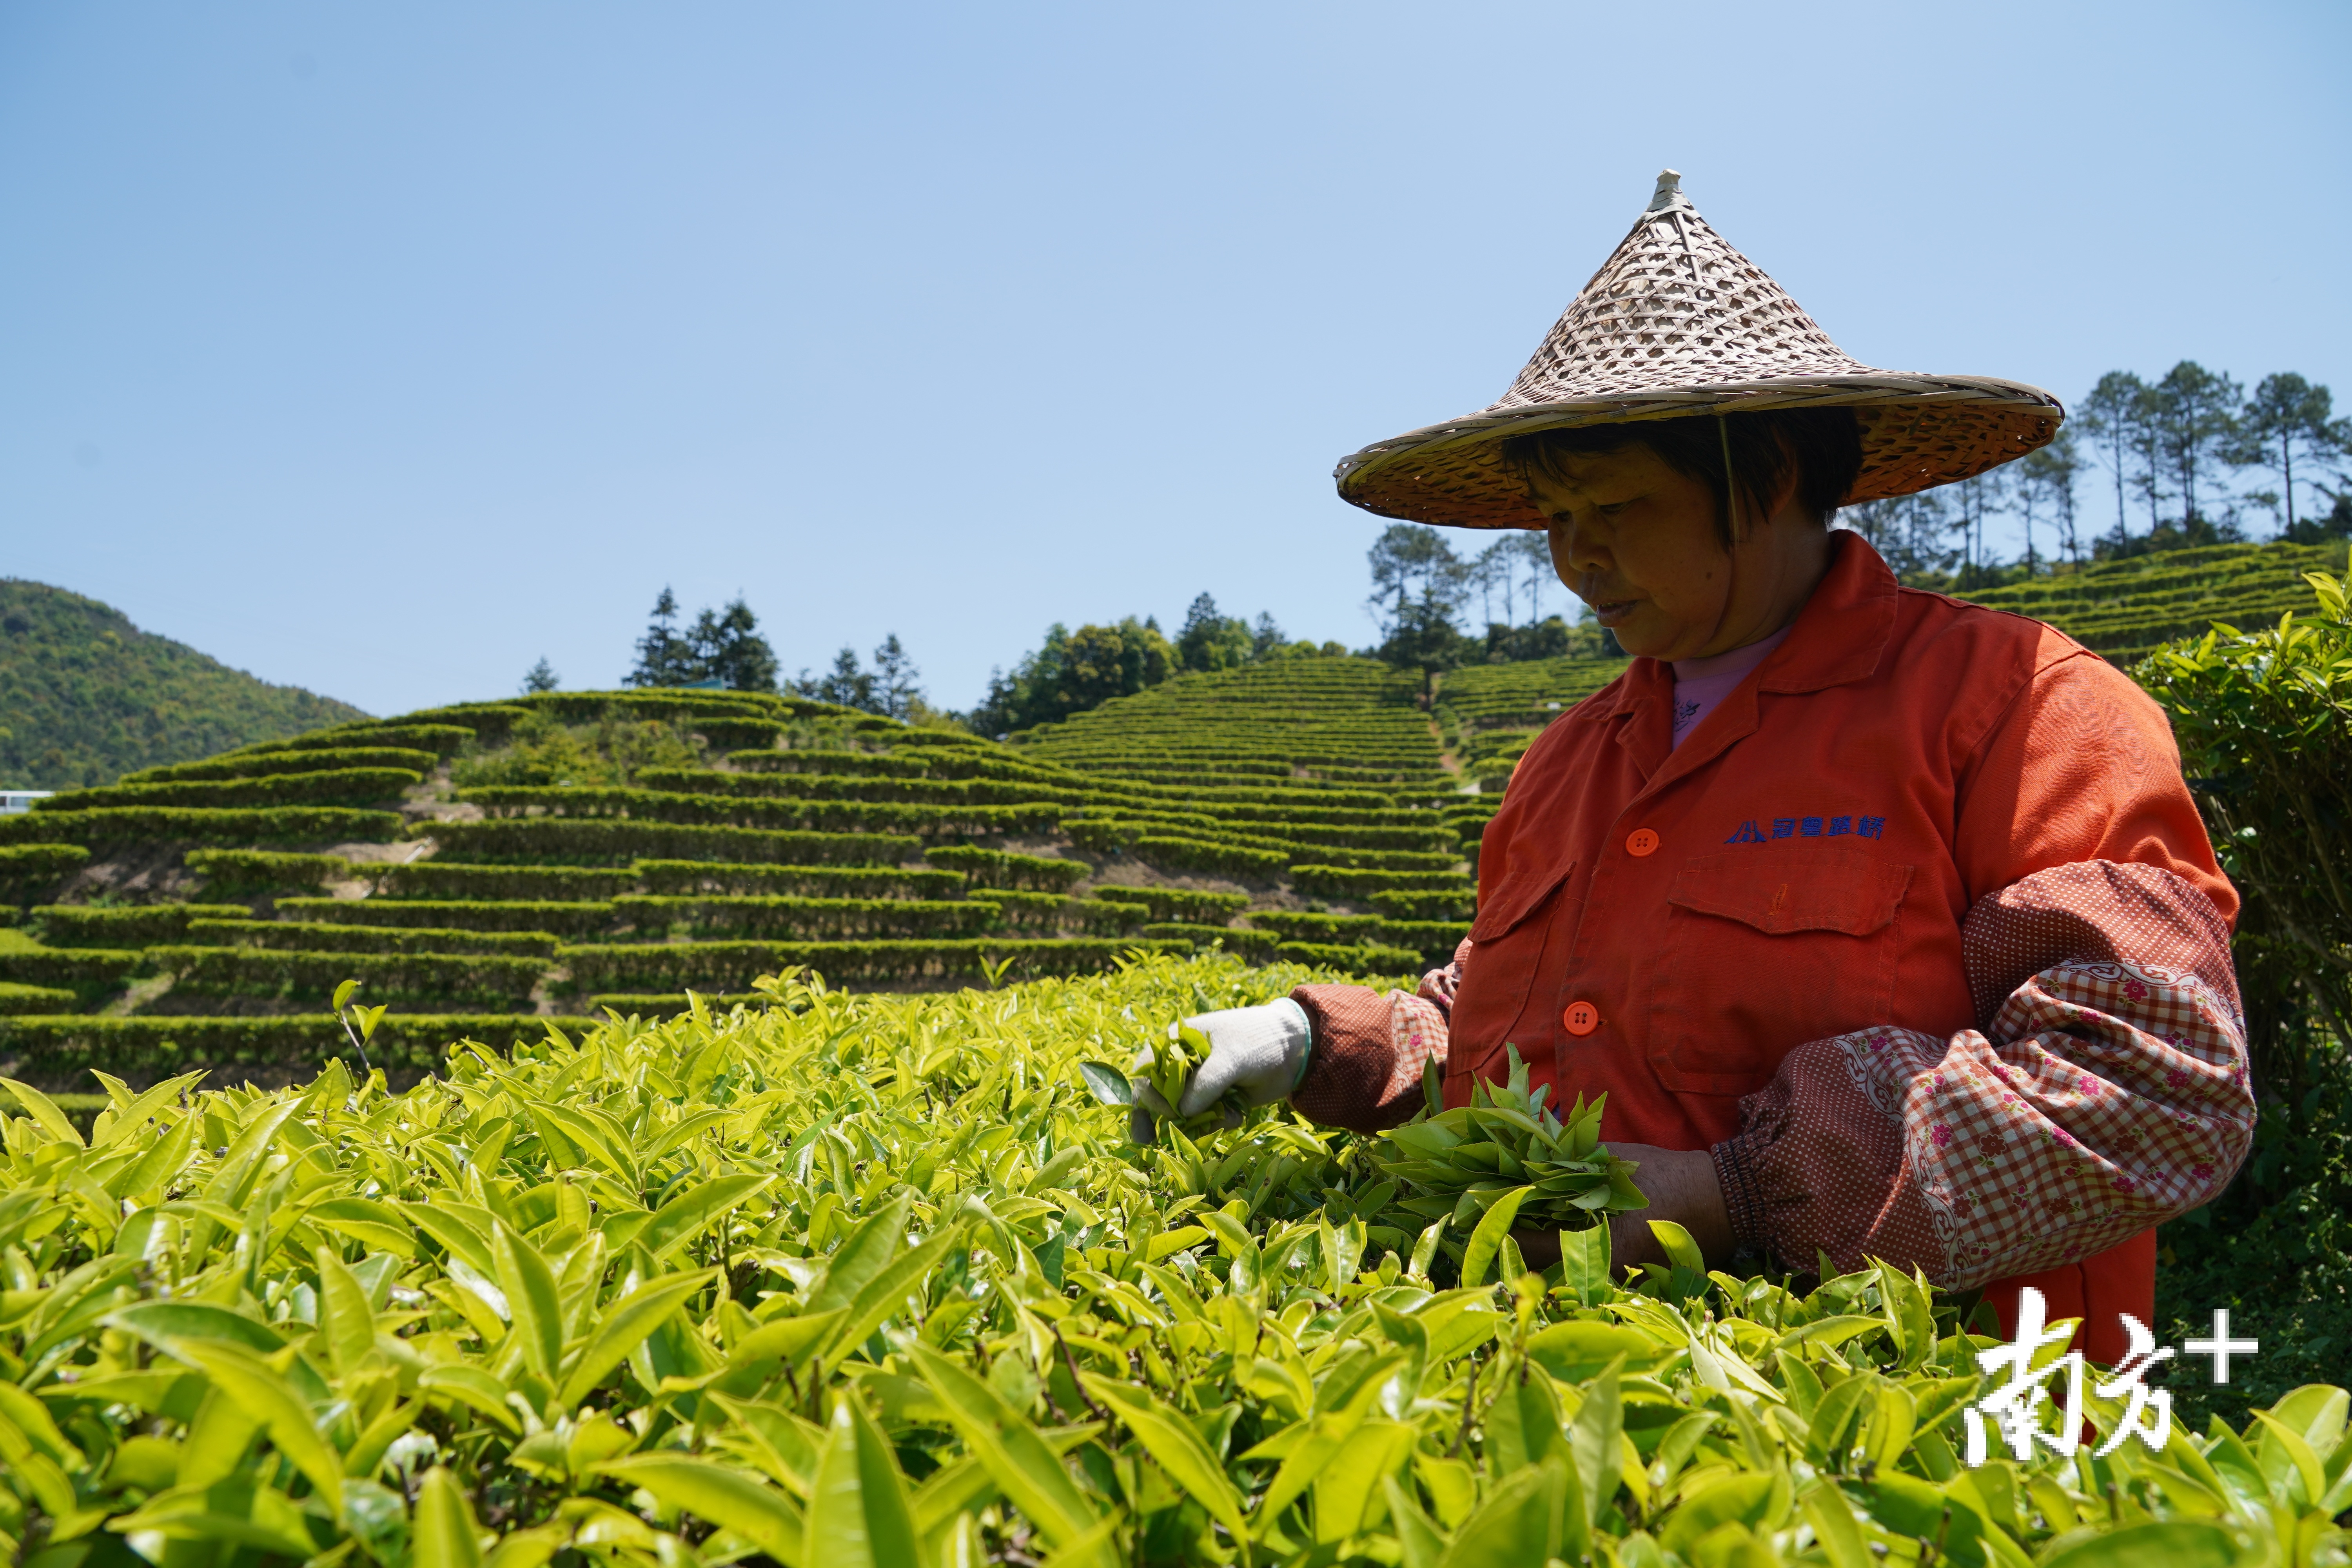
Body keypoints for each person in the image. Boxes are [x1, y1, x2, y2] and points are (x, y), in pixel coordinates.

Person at [1132, 171, 2253, 1364]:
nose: (1576, 561)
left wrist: (1728, 1197)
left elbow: (2154, 1084)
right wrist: (1322, 1044)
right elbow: (1506, 1034)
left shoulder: (2020, 711)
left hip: (1928, 1445)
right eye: (1555, 520)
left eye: (1614, 508)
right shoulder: (1570, 762)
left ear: (1767, 478)